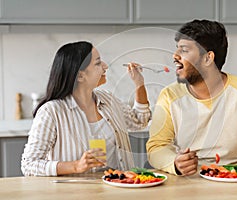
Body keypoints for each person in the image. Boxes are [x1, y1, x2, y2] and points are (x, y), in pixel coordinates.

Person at [146, 19, 237, 176]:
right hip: (188, 185)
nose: (175, 56)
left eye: (184, 50)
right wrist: (174, 162)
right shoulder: (169, 96)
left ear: (208, 58)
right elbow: (156, 147)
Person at [21, 41, 151, 176]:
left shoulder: (108, 100)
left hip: (118, 189)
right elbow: (29, 164)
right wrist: (76, 166)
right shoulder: (52, 111)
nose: (105, 66)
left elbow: (140, 121)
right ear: (80, 75)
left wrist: (139, 83)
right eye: (98, 63)